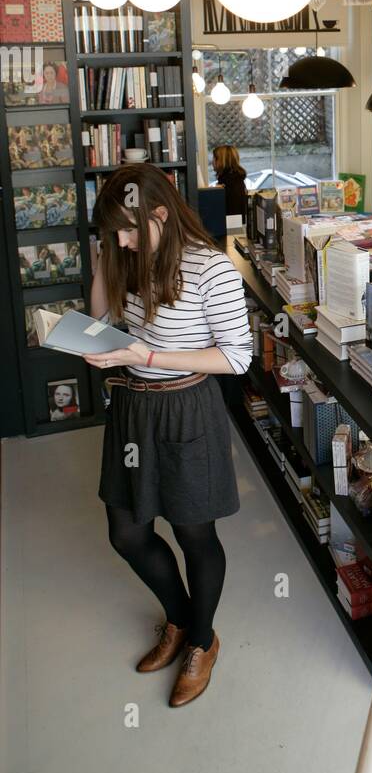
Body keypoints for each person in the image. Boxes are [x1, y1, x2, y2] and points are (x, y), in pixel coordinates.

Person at [86, 164, 253, 708]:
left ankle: (202, 640)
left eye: (129, 229)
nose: (123, 241)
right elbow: (102, 320)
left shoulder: (211, 270)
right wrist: (104, 262)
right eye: (114, 233)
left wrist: (148, 354)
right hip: (135, 406)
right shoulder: (128, 258)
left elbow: (236, 355)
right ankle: (179, 620)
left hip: (187, 408)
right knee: (126, 532)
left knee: (193, 534)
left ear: (159, 213)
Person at [212, 145, 248, 227]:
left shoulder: (229, 184)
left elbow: (233, 215)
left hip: (232, 230)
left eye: (214, 158)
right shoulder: (236, 180)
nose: (212, 162)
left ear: (221, 161)